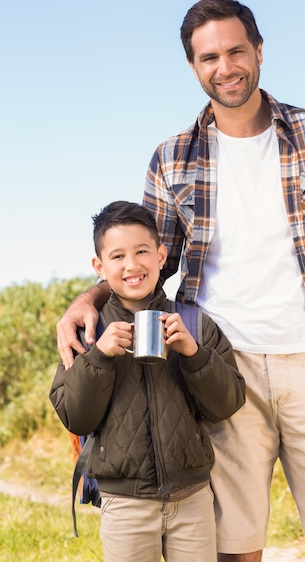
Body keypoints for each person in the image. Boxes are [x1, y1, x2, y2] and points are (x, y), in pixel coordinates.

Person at [56, 0, 305, 561]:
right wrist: (85, 298)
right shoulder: (172, 158)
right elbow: (146, 260)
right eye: (209, 56)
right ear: (194, 67)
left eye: (237, 50)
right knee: (234, 550)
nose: (226, 66)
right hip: (217, 366)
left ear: (259, 51)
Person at [50, 200, 245, 562]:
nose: (132, 265)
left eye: (142, 251)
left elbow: (227, 404)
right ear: (99, 266)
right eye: (117, 256)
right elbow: (76, 417)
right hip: (125, 504)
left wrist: (193, 353)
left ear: (161, 255)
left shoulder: (195, 324)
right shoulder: (86, 332)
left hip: (193, 499)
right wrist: (99, 357)